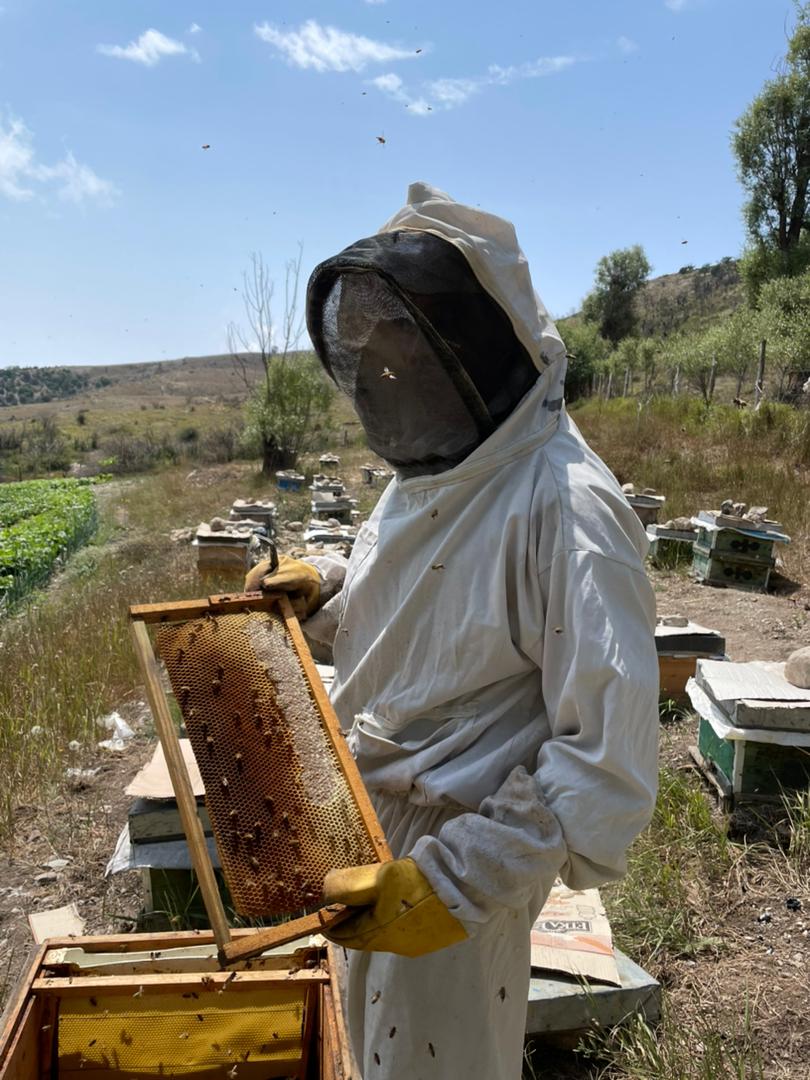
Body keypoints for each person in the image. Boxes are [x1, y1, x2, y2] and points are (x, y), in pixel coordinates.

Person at [246, 182, 659, 1080]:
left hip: (459, 866)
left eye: (415, 357)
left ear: (472, 352)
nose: (397, 383)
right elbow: (418, 616)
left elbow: (607, 767)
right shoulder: (425, 477)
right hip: (360, 829)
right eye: (382, 359)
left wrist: (449, 887)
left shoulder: (570, 509)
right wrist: (325, 590)